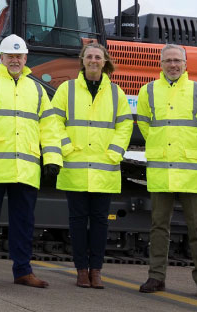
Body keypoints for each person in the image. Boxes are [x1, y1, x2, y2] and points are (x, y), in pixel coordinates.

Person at [0, 34, 63, 289]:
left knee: (24, 224)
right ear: (2, 57)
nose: (15, 60)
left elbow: (49, 127)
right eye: (10, 56)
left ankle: (23, 271)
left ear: (25, 58)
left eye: (19, 56)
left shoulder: (37, 89)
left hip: (26, 170)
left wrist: (52, 158)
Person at [136, 43, 197, 299]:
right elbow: (145, 125)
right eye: (168, 60)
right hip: (161, 169)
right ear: (161, 64)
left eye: (177, 61)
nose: (173, 65)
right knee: (159, 226)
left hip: (191, 170)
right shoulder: (148, 91)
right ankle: (156, 276)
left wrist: (192, 151)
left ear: (185, 64)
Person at [53, 42, 133, 290]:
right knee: (77, 222)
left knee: (100, 222)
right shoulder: (67, 89)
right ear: (82, 60)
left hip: (104, 168)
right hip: (75, 166)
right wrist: (65, 147)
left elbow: (125, 124)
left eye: (98, 57)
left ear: (105, 61)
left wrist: (115, 152)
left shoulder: (116, 92)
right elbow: (53, 120)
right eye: (89, 56)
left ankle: (96, 271)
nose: (94, 60)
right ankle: (81, 271)